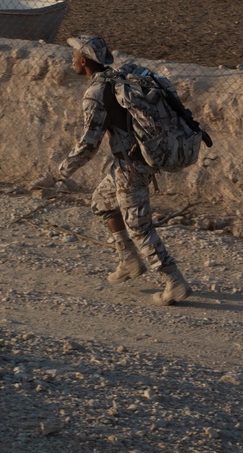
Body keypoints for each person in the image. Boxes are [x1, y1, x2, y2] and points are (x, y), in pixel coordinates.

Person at [56, 34, 191, 306]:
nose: (70, 59)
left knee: (139, 228)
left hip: (131, 169)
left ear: (84, 61)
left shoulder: (95, 94)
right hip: (128, 164)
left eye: (73, 56)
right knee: (102, 202)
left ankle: (174, 281)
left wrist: (63, 170)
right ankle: (129, 260)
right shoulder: (119, 80)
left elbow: (88, 144)